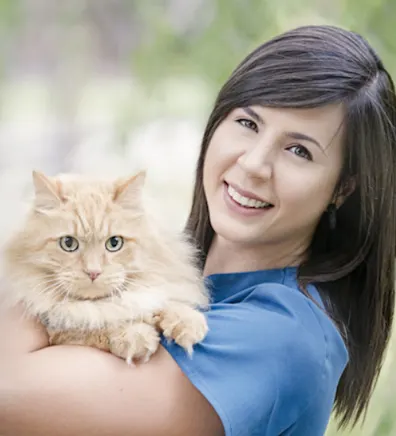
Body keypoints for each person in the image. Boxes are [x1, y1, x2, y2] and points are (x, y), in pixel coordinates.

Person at [0, 24, 395, 436]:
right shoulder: (173, 272)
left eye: (299, 150)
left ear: (343, 188)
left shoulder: (283, 336)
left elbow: (7, 390)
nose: (254, 164)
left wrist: (32, 258)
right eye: (248, 123)